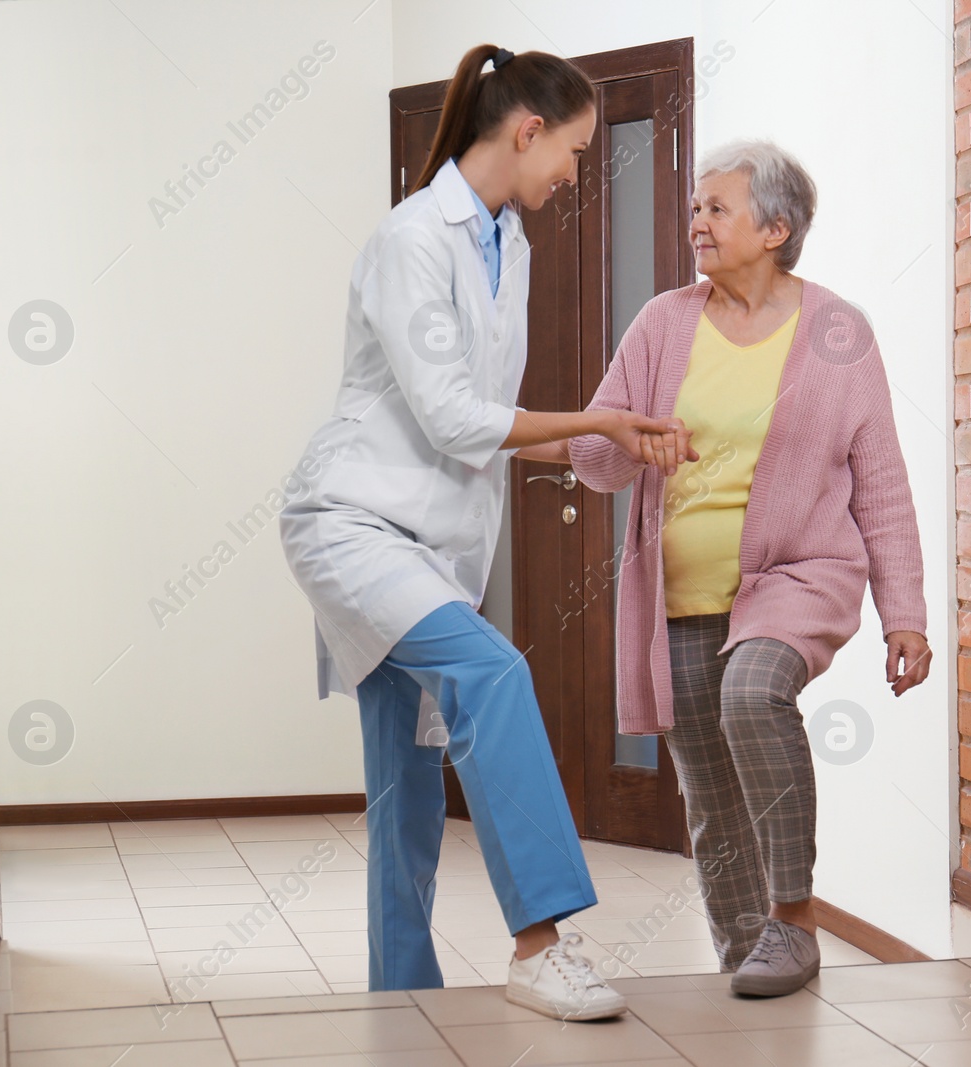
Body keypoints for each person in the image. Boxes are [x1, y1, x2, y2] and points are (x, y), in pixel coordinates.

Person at [278, 43, 693, 1021]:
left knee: (405, 789)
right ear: (526, 129)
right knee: (494, 672)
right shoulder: (413, 239)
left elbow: (481, 434)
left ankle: (402, 1003)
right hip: (352, 524)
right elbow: (457, 419)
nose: (575, 172)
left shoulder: (510, 247)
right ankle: (541, 940)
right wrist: (592, 417)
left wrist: (606, 438)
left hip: (430, 541)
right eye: (575, 152)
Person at [568, 139, 933, 997]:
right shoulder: (663, 322)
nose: (697, 220)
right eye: (695, 207)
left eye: (716, 208)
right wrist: (623, 436)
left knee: (750, 695)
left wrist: (904, 613)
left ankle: (793, 917)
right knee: (706, 775)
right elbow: (594, 454)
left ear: (776, 228)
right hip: (681, 590)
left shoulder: (837, 332)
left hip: (801, 574)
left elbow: (880, 479)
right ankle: (746, 954)